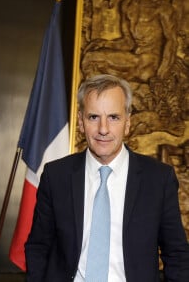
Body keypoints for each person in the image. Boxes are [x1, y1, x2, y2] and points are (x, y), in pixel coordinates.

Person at [24, 74, 189, 281]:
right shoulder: (56, 176)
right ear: (81, 122)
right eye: (93, 117)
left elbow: (177, 255)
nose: (103, 129)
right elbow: (39, 247)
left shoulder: (158, 179)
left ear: (127, 123)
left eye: (113, 117)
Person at [81, 0, 178, 82]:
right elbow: (128, 42)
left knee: (91, 59)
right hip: (134, 59)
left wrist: (163, 72)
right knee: (90, 58)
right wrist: (106, 44)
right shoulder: (128, 3)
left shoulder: (163, 7)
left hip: (149, 63)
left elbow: (172, 41)